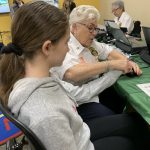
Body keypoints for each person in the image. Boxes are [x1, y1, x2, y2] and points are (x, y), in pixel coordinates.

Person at [0, 1, 149, 150]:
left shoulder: (44, 76)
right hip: (80, 140)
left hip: (77, 131)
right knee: (128, 141)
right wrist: (114, 69)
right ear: (47, 47)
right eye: (66, 43)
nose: (68, 49)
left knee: (135, 124)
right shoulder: (47, 114)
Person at [51, 5, 142, 122]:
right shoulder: (65, 45)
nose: (94, 33)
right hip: (78, 102)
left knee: (120, 98)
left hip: (93, 90)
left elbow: (108, 50)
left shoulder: (90, 43)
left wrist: (126, 62)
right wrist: (112, 65)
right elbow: (72, 73)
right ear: (74, 27)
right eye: (90, 28)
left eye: (95, 28)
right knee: (116, 119)